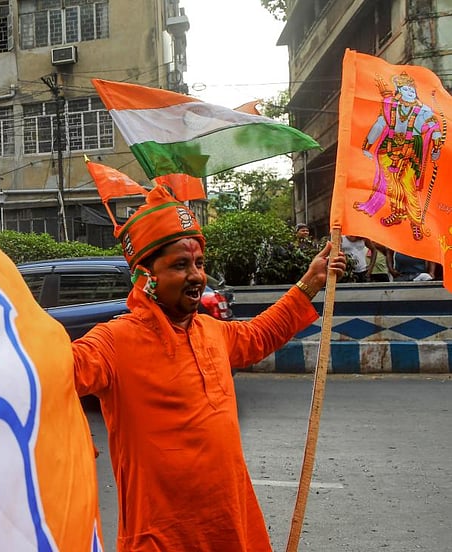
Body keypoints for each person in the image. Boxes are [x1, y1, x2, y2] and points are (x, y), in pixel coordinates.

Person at [71, 184, 346, 551]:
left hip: (230, 525)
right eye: (180, 265)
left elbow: (259, 334)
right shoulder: (114, 341)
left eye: (199, 263)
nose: (197, 276)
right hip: (161, 538)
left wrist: (310, 282)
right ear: (146, 276)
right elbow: (58, 372)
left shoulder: (212, 332)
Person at [354, 71, 443, 241]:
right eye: (407, 90)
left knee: (408, 184)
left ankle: (416, 223)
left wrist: (437, 145)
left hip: (411, 151)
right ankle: (397, 212)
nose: (411, 93)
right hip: (389, 147)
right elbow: (380, 124)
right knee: (391, 184)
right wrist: (367, 146)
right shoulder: (389, 106)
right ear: (399, 91)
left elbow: (434, 127)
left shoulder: (423, 110)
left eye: (413, 90)